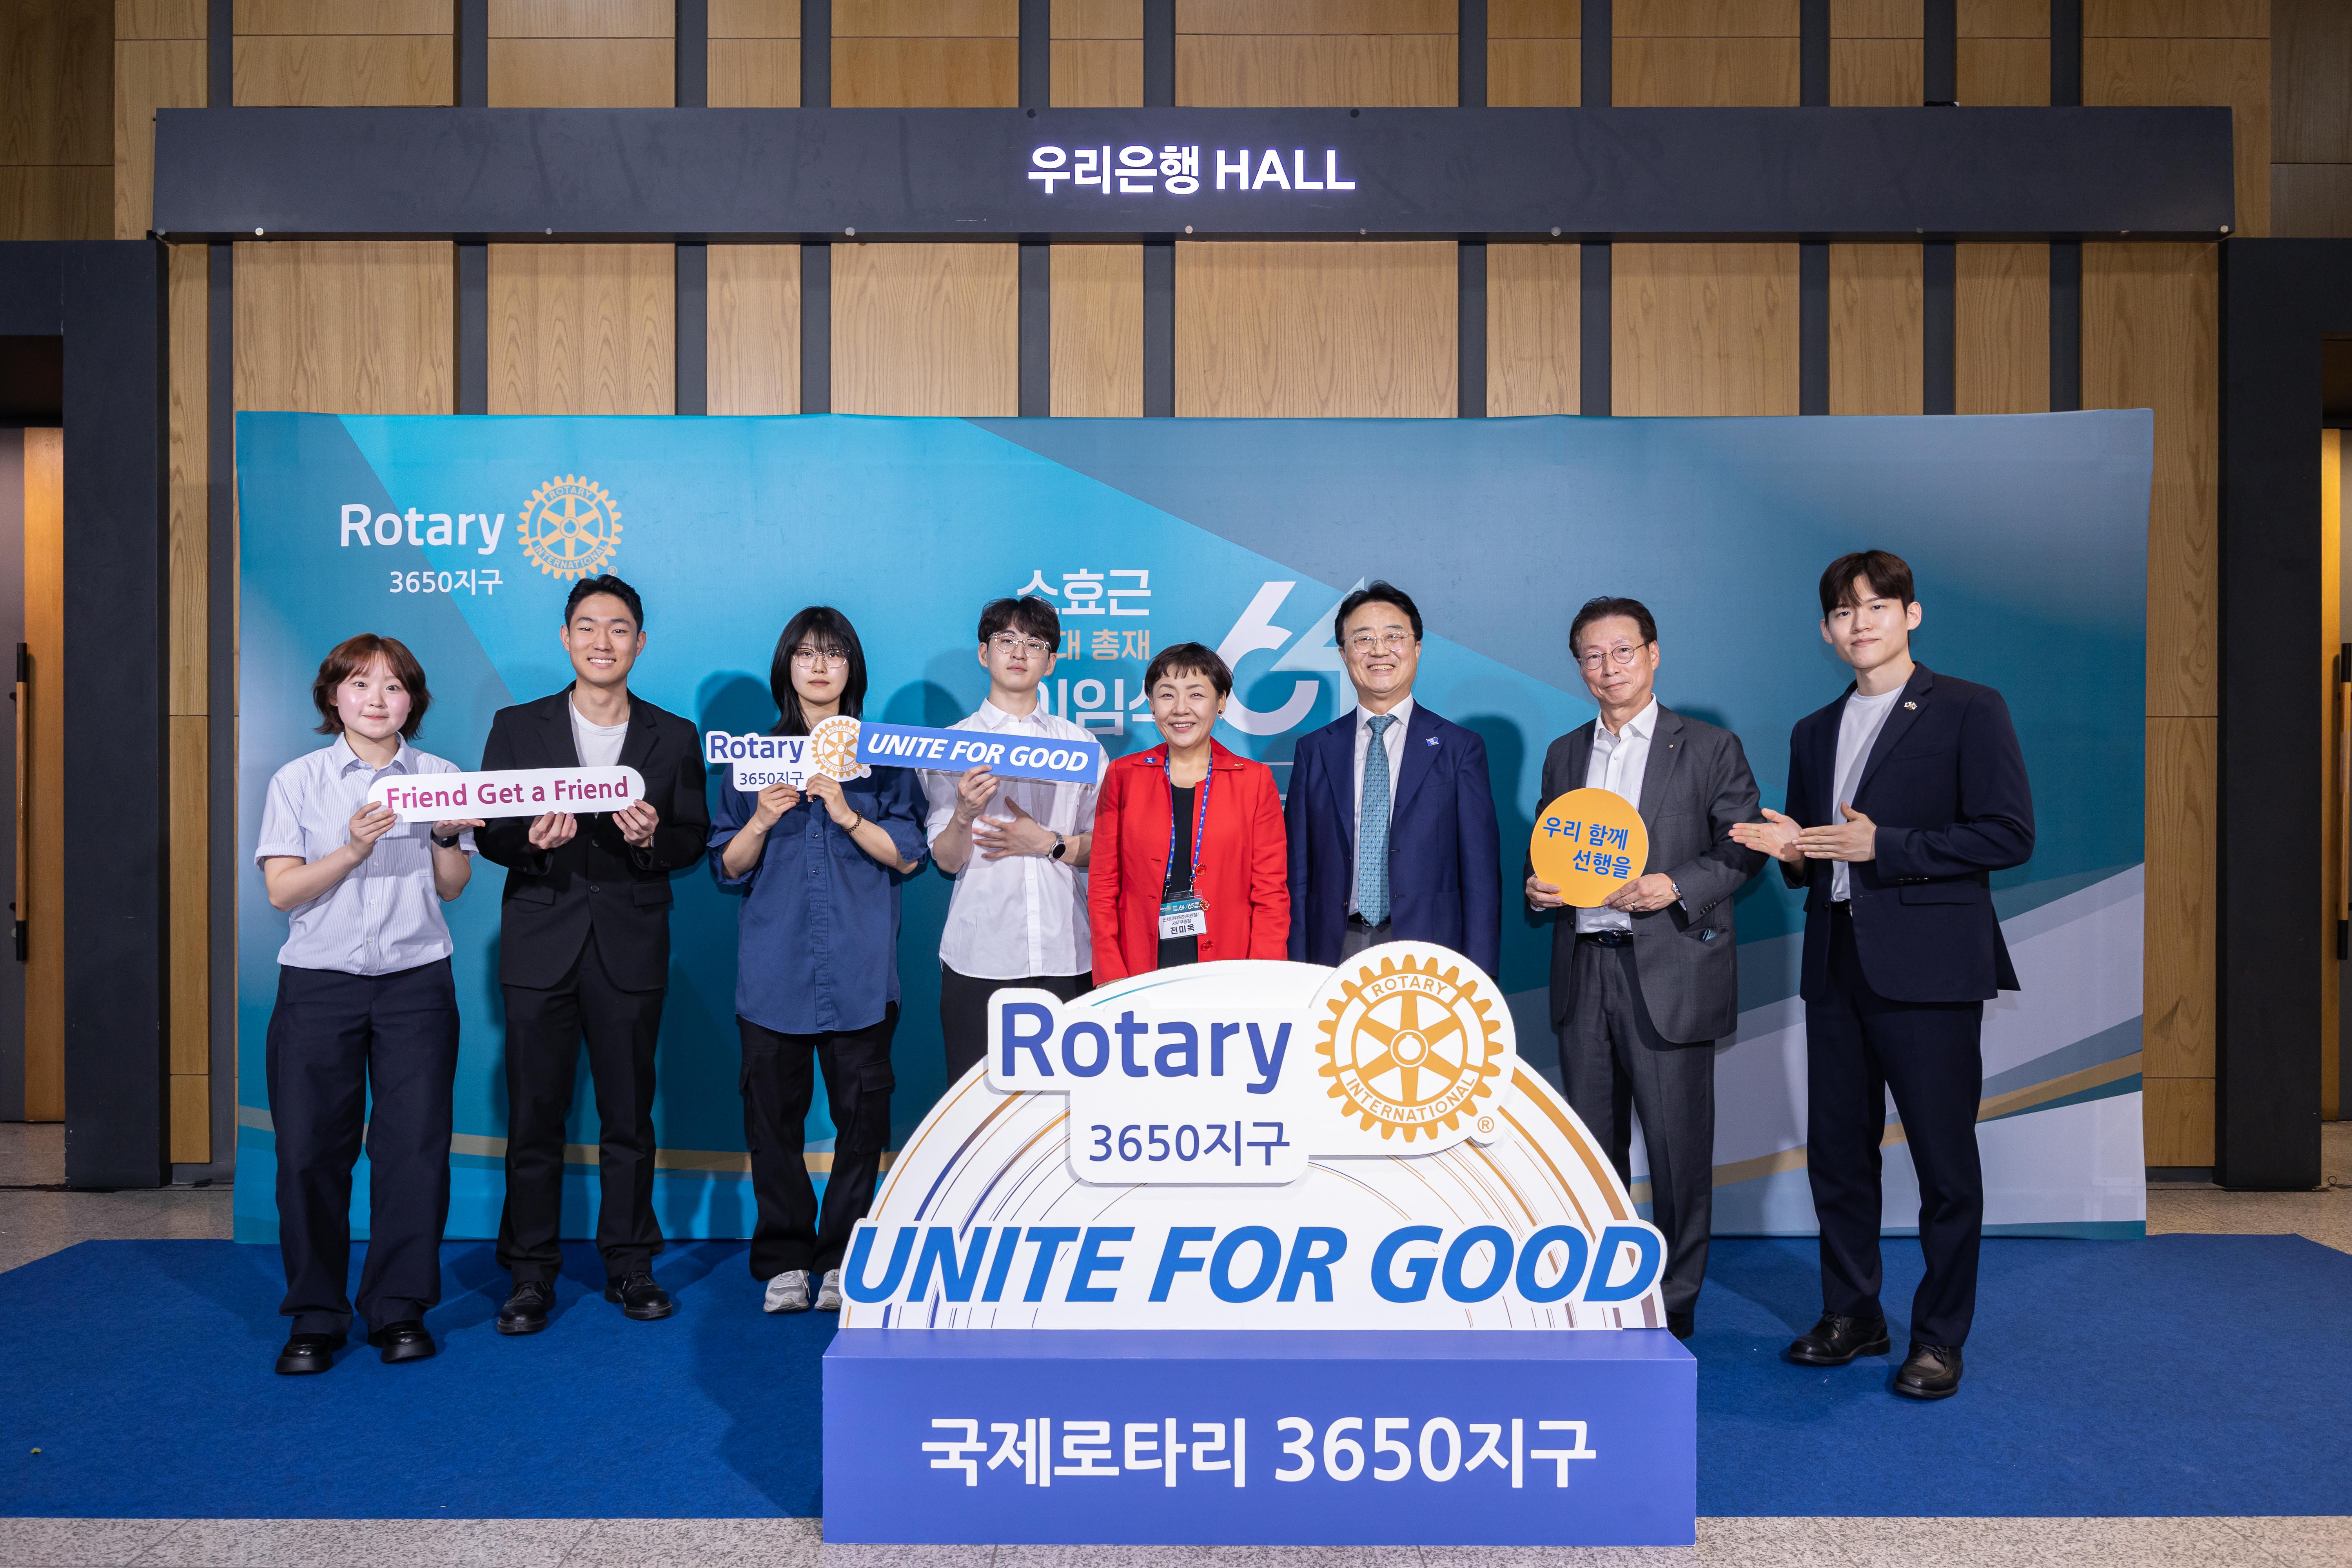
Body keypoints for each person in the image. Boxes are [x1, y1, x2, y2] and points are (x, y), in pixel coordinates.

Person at [1729, 550, 2033, 1401]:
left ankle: (1939, 1336)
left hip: (1931, 971)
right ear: (1826, 631)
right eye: (1842, 611)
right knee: (1839, 1157)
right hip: (1835, 965)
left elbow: (2009, 834)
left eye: (1875, 605)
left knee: (1944, 1164)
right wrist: (1795, 852)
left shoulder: (1970, 707)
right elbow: (1818, 858)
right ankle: (1853, 1312)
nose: (1859, 622)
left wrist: (1885, 845)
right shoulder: (1813, 730)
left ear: (1911, 614)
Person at [1525, 597, 1765, 1342]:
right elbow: (1551, 850)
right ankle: (1606, 1282)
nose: (1609, 668)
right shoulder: (1565, 753)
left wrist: (1675, 886)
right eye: (1592, 657)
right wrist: (1539, 890)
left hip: (1668, 971)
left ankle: (1675, 1294)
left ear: (1653, 655)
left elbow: (1742, 849)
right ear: (1579, 667)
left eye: (1622, 651)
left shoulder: (1710, 747)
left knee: (1677, 1148)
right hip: (1584, 969)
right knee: (1592, 1151)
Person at [474, 575, 709, 1335]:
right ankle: (529, 1273)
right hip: (540, 942)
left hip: (630, 945)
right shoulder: (519, 726)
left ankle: (630, 1265)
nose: (602, 641)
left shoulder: (674, 735)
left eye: (617, 628)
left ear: (639, 642)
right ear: (566, 638)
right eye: (587, 626)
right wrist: (528, 840)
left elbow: (692, 836)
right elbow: (489, 832)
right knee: (534, 1116)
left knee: (628, 1116)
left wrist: (651, 839)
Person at [255, 634, 481, 1374]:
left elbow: (453, 885)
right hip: (318, 984)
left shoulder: (441, 776)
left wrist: (445, 834)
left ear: (413, 700)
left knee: (414, 1150)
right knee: (308, 1152)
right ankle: (315, 1315)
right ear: (333, 697)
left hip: (417, 983)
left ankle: (399, 1308)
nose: (376, 699)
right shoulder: (299, 780)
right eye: (359, 684)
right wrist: (352, 849)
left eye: (393, 686)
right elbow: (282, 891)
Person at [711, 607, 926, 1315]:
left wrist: (847, 813)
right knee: (772, 1124)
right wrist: (762, 817)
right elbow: (727, 867)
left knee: (863, 1125)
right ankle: (784, 1257)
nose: (820, 666)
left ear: (851, 668)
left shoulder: (883, 755)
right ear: (788, 667)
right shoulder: (753, 758)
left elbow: (909, 855)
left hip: (861, 973)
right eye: (806, 653)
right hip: (773, 974)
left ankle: (843, 1256)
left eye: (834, 654)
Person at [1285, 581, 1500, 975]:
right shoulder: (1314, 750)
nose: (1380, 650)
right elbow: (1297, 876)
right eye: (1363, 639)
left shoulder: (1459, 748)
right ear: (1344, 654)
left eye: (1393, 637)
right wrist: (1296, 968)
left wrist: (1480, 975)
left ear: (1416, 648)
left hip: (1432, 951)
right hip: (1335, 948)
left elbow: (1481, 876)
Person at [925, 596, 1098, 1083]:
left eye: (1034, 643)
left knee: (1065, 1108)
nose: (1019, 652)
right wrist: (965, 812)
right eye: (1006, 640)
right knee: (978, 1109)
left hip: (1066, 951)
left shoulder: (1081, 746)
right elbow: (946, 860)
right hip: (980, 954)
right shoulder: (950, 745)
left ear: (1051, 661)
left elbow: (1103, 847)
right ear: (985, 653)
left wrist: (1048, 842)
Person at [1089, 644, 1289, 981]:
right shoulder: (1123, 775)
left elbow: (1271, 894)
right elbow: (1103, 885)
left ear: (1221, 702)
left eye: (1196, 695)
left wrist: (1261, 977)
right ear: (1152, 705)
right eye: (1167, 695)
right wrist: (1110, 972)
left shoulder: (1254, 780)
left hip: (1229, 967)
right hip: (1138, 963)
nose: (1181, 709)